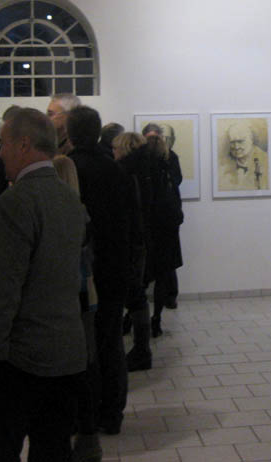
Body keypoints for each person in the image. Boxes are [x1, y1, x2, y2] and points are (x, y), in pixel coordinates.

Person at [0, 108, 88, 462]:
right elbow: (49, 265)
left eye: (3, 144)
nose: (0, 154)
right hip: (65, 352)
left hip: (20, 358)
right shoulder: (70, 199)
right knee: (53, 450)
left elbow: (2, 288)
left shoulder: (16, 200)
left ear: (23, 145)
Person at [69, 106, 133, 445]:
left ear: (70, 132)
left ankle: (86, 414)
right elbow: (129, 223)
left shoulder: (68, 169)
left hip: (79, 272)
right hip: (113, 267)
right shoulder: (114, 169)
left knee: (81, 345)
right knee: (110, 342)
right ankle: (112, 413)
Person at [113, 131, 152, 374]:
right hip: (141, 239)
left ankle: (141, 351)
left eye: (115, 148)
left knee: (135, 297)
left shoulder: (124, 172)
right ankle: (141, 349)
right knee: (137, 295)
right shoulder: (146, 168)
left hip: (130, 242)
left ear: (123, 148)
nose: (113, 152)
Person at [142, 122, 183, 311]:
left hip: (156, 217)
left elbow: (177, 180)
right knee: (166, 260)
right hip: (165, 217)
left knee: (165, 260)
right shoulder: (169, 157)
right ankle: (165, 299)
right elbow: (177, 181)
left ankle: (169, 296)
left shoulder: (143, 159)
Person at [219, 120, 269, 191]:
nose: (236, 147)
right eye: (232, 142)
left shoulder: (266, 161)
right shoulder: (224, 164)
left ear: (251, 139)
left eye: (240, 141)